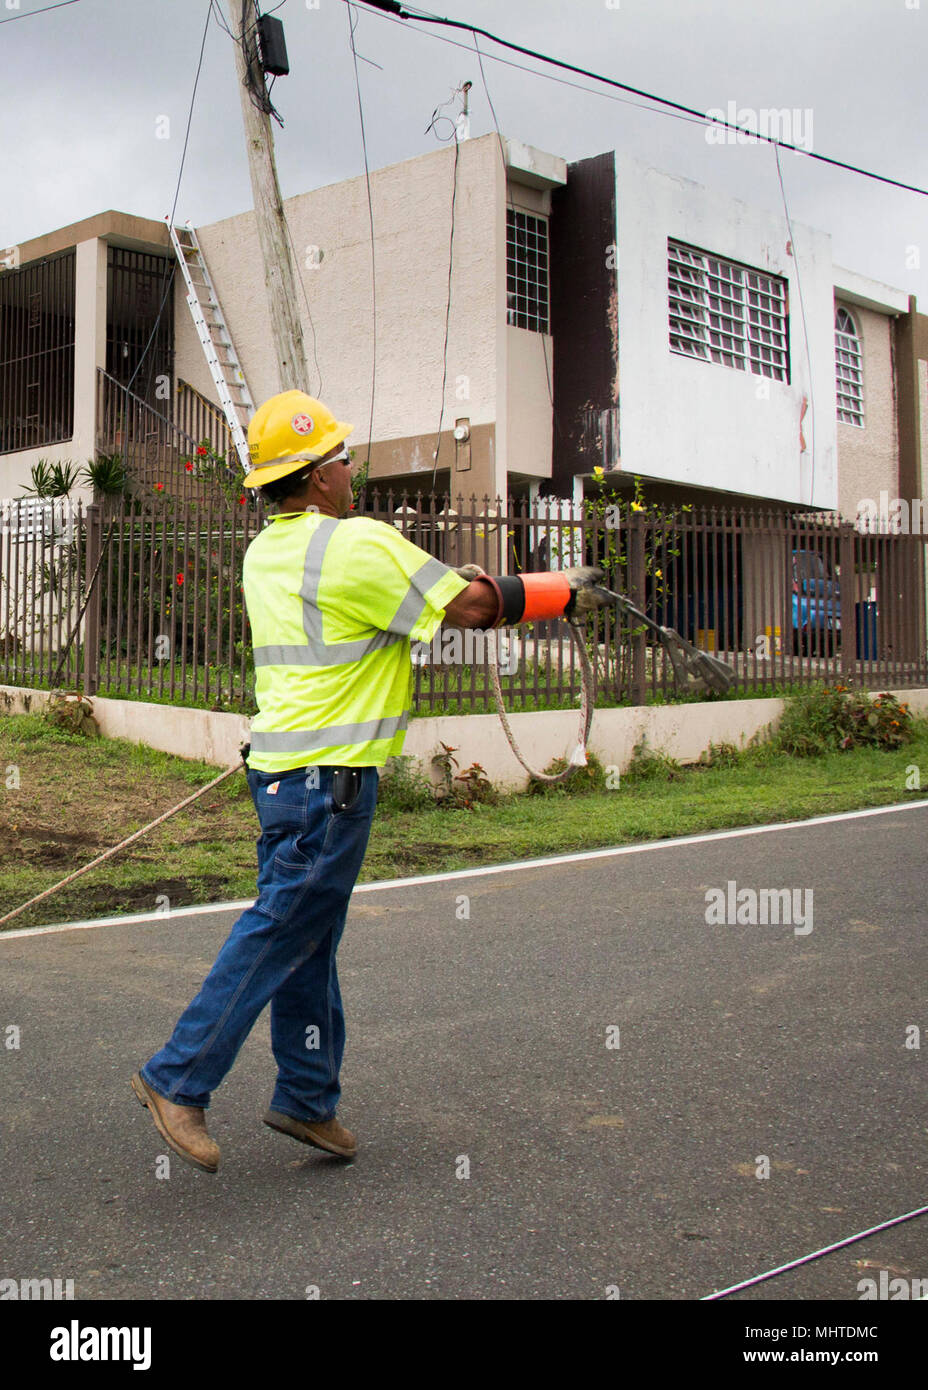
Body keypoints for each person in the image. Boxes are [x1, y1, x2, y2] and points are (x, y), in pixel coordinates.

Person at [132, 391, 604, 1173]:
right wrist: (559, 592)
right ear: (318, 477)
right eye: (344, 457)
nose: (354, 468)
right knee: (287, 924)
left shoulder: (267, 552)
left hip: (281, 776)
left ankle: (308, 1099)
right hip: (330, 784)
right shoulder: (356, 546)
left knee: (306, 932)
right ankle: (178, 1078)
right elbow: (473, 605)